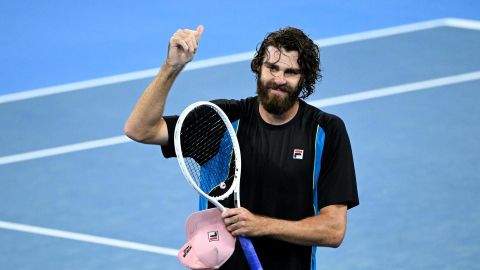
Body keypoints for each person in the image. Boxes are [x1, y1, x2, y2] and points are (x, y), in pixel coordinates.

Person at [124, 25, 359, 269]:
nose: (278, 79)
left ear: (304, 78)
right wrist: (171, 68)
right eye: (272, 68)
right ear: (259, 67)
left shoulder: (326, 131)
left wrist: (261, 225)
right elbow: (140, 130)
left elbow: (333, 230)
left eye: (290, 72)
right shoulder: (221, 120)